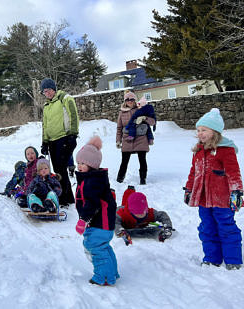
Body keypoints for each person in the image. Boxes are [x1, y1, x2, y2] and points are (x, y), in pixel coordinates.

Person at [184, 108, 244, 270]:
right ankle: (212, 258)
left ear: (215, 132)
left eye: (204, 130)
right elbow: (193, 172)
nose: (200, 133)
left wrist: (236, 192)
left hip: (222, 199)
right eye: (198, 130)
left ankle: (233, 259)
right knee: (207, 228)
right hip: (203, 198)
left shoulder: (226, 150)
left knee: (226, 227)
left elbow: (233, 173)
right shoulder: (198, 150)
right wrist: (188, 189)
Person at [74, 136, 119, 286]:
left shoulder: (91, 182)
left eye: (83, 163)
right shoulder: (94, 178)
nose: (79, 166)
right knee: (104, 247)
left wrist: (83, 220)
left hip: (100, 223)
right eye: (78, 163)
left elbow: (92, 204)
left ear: (92, 165)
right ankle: (112, 273)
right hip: (104, 223)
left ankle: (104, 277)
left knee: (95, 247)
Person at [40, 78, 78, 206]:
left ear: (54, 89)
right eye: (45, 91)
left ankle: (63, 199)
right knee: (57, 170)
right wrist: (44, 142)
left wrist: (73, 134)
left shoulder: (64, 98)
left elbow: (73, 115)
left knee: (61, 169)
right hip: (52, 141)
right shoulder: (46, 106)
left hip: (64, 138)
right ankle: (67, 198)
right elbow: (45, 125)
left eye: (49, 90)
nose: (47, 93)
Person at [115, 91, 156, 185]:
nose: (129, 101)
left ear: (135, 101)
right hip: (127, 139)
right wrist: (118, 140)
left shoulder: (141, 110)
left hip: (141, 138)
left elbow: (153, 122)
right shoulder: (121, 113)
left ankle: (143, 179)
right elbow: (119, 128)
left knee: (142, 160)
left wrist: (144, 118)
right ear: (125, 101)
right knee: (124, 161)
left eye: (132, 99)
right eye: (127, 99)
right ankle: (119, 179)